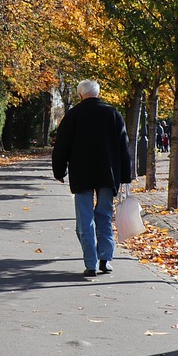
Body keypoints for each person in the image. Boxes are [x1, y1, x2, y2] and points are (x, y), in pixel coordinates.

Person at [52, 80, 133, 278]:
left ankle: (90, 263)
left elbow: (62, 145)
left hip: (82, 174)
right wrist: (125, 176)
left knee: (85, 219)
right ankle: (106, 259)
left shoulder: (74, 115)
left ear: (80, 95)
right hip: (108, 174)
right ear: (98, 93)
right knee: (104, 215)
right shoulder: (113, 114)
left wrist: (59, 171)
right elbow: (124, 146)